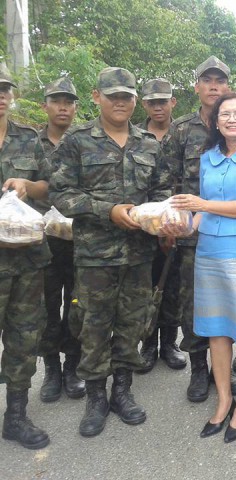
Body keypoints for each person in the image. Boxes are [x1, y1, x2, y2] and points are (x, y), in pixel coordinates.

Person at [50, 67, 172, 437]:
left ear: (135, 100)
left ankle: (123, 391)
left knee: (132, 322)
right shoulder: (77, 141)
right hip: (94, 256)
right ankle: (96, 398)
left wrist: (161, 216)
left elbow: (162, 191)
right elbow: (60, 193)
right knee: (93, 326)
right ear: (96, 96)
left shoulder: (148, 143)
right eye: (113, 95)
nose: (120, 102)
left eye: (127, 96)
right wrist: (108, 211)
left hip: (138, 255)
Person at [170, 92, 236, 443]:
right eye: (225, 114)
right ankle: (224, 399)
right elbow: (203, 212)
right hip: (210, 251)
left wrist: (203, 203)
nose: (232, 119)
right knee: (216, 330)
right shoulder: (208, 158)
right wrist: (182, 223)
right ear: (215, 122)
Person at [163, 55, 236, 402]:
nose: (213, 87)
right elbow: (166, 179)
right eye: (207, 80)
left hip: (230, 233)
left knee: (227, 302)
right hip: (191, 235)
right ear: (196, 87)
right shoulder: (181, 130)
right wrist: (171, 223)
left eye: (220, 81)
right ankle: (198, 370)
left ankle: (224, 367)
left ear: (228, 87)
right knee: (192, 303)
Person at [0, 64, 52, 450]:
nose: (1, 96)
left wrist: (26, 186)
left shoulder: (28, 139)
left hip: (26, 260)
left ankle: (15, 416)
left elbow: (47, 185)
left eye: (5, 89)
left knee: (23, 338)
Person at [37, 77, 85, 403]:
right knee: (46, 305)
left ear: (76, 107)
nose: (63, 106)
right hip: (39, 240)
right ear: (46, 106)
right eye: (57, 100)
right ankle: (51, 367)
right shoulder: (29, 142)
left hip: (79, 237)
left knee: (77, 304)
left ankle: (73, 365)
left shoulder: (85, 141)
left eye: (69, 101)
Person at [136, 78, 186, 373]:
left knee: (174, 284)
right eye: (152, 102)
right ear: (144, 104)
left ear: (172, 102)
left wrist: (179, 224)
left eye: (163, 101)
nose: (158, 106)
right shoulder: (135, 136)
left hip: (179, 221)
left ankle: (169, 342)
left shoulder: (183, 133)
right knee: (147, 283)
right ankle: (148, 344)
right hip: (145, 222)